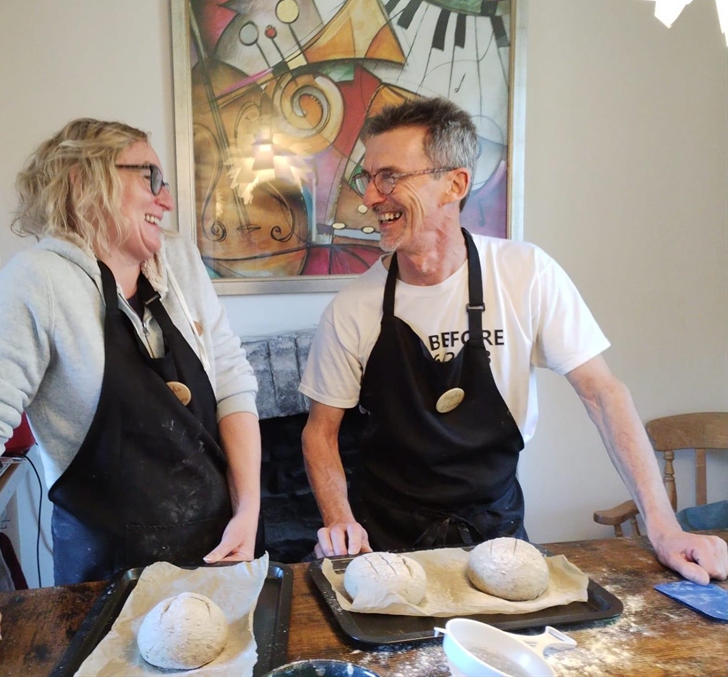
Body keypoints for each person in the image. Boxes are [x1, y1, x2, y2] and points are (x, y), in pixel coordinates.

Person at [299, 97, 727, 584]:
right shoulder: (352, 309)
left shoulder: (526, 274)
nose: (372, 197)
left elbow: (604, 395)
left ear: (455, 184)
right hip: (385, 543)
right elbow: (320, 432)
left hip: (498, 534)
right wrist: (339, 521)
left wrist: (664, 528)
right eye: (368, 178)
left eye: (391, 177)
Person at [0, 119, 262, 677]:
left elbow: (234, 384)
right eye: (150, 177)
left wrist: (249, 509)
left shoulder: (180, 264)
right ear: (84, 181)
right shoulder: (35, 284)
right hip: (105, 578)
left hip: (221, 552)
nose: (166, 199)